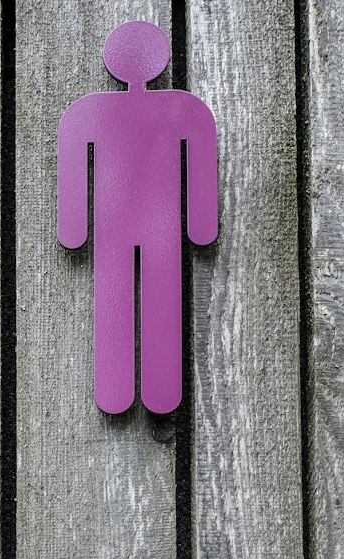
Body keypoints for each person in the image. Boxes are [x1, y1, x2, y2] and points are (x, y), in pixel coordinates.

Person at [58, 20, 218, 414]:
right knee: (159, 299)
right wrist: (200, 226)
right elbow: (200, 166)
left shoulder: (88, 110)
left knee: (116, 301)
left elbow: (73, 168)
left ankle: (119, 392)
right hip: (156, 228)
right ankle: (152, 393)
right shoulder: (185, 107)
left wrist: (74, 229)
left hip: (122, 227)